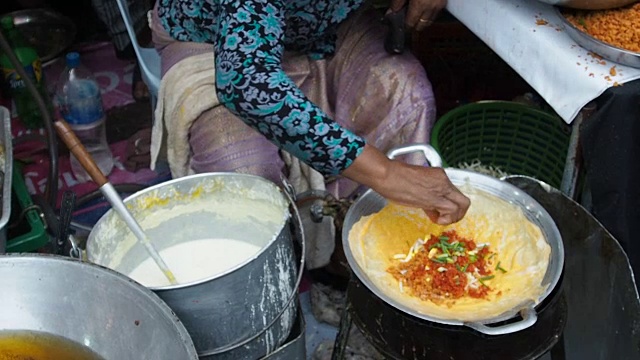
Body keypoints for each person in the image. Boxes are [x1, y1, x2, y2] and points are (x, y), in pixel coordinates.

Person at [149, 0, 469, 229]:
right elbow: (246, 79)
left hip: (326, 22)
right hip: (213, 38)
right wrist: (386, 173)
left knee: (408, 96)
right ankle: (279, 271)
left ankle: (368, 245)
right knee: (243, 169)